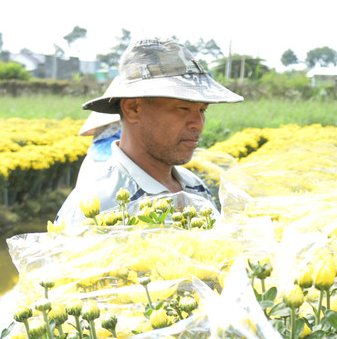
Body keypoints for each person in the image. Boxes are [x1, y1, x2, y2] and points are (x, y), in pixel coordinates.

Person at [56, 37, 242, 225]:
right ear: (133, 109)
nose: (198, 124)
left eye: (202, 110)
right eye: (183, 108)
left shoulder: (195, 188)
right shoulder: (98, 208)